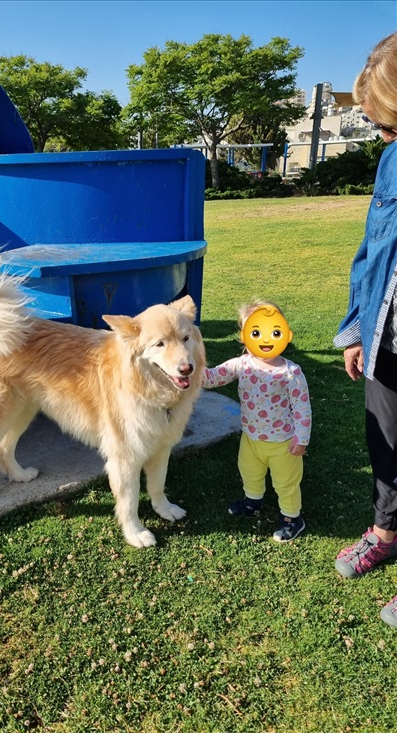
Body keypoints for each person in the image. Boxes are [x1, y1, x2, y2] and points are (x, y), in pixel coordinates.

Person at [333, 32, 397, 629]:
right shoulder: (390, 161)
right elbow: (373, 246)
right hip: (388, 331)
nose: (381, 138)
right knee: (384, 437)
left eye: (388, 125)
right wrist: (355, 325)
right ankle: (385, 529)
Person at [202, 299, 311, 542]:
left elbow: (302, 408)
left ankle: (292, 518)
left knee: (286, 483)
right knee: (249, 471)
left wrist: (301, 439)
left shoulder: (290, 373)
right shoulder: (241, 365)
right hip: (251, 438)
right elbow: (210, 379)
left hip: (283, 443)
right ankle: (253, 501)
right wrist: (190, 368)